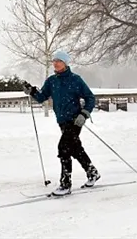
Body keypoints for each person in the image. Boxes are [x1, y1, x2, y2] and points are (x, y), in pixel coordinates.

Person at [23, 50, 100, 196]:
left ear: (65, 63)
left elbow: (90, 98)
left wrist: (84, 114)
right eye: (54, 61)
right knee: (75, 148)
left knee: (63, 147)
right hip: (62, 121)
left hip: (75, 121)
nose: (55, 63)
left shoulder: (75, 80)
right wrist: (32, 91)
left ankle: (66, 183)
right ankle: (92, 172)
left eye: (59, 61)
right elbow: (41, 97)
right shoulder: (52, 81)